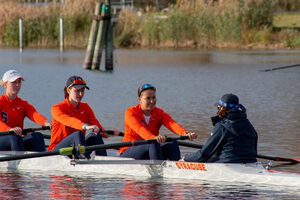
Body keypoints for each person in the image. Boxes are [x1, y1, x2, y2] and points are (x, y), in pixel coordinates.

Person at [119, 83, 197, 161]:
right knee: (153, 143)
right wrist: (153, 138)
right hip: (128, 151)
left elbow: (171, 124)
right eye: (148, 98)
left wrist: (185, 133)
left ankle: (177, 168)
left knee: (172, 143)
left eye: (154, 97)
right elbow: (139, 129)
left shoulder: (159, 113)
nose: (152, 101)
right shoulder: (131, 112)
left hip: (151, 146)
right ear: (140, 100)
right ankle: (158, 170)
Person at [48, 75, 119, 158]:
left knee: (95, 135)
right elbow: (68, 120)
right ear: (68, 90)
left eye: (82, 90)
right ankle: (86, 159)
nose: (81, 94)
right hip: (58, 151)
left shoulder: (85, 108)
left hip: (76, 148)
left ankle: (103, 161)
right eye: (77, 91)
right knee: (78, 134)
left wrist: (106, 133)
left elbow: (95, 124)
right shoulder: (57, 108)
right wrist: (85, 126)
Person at [181, 93, 258, 163]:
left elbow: (204, 154)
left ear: (222, 108)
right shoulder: (248, 124)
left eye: (218, 108)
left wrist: (186, 158)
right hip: (251, 162)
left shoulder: (222, 126)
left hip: (228, 164)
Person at [0, 69, 52, 152]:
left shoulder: (23, 104)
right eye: (14, 82)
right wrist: (9, 130)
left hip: (17, 138)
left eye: (19, 82)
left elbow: (34, 114)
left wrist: (45, 122)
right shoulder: (1, 102)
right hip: (2, 138)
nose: (17, 85)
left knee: (38, 136)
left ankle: (40, 162)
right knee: (14, 137)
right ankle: (18, 162)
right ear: (5, 84)